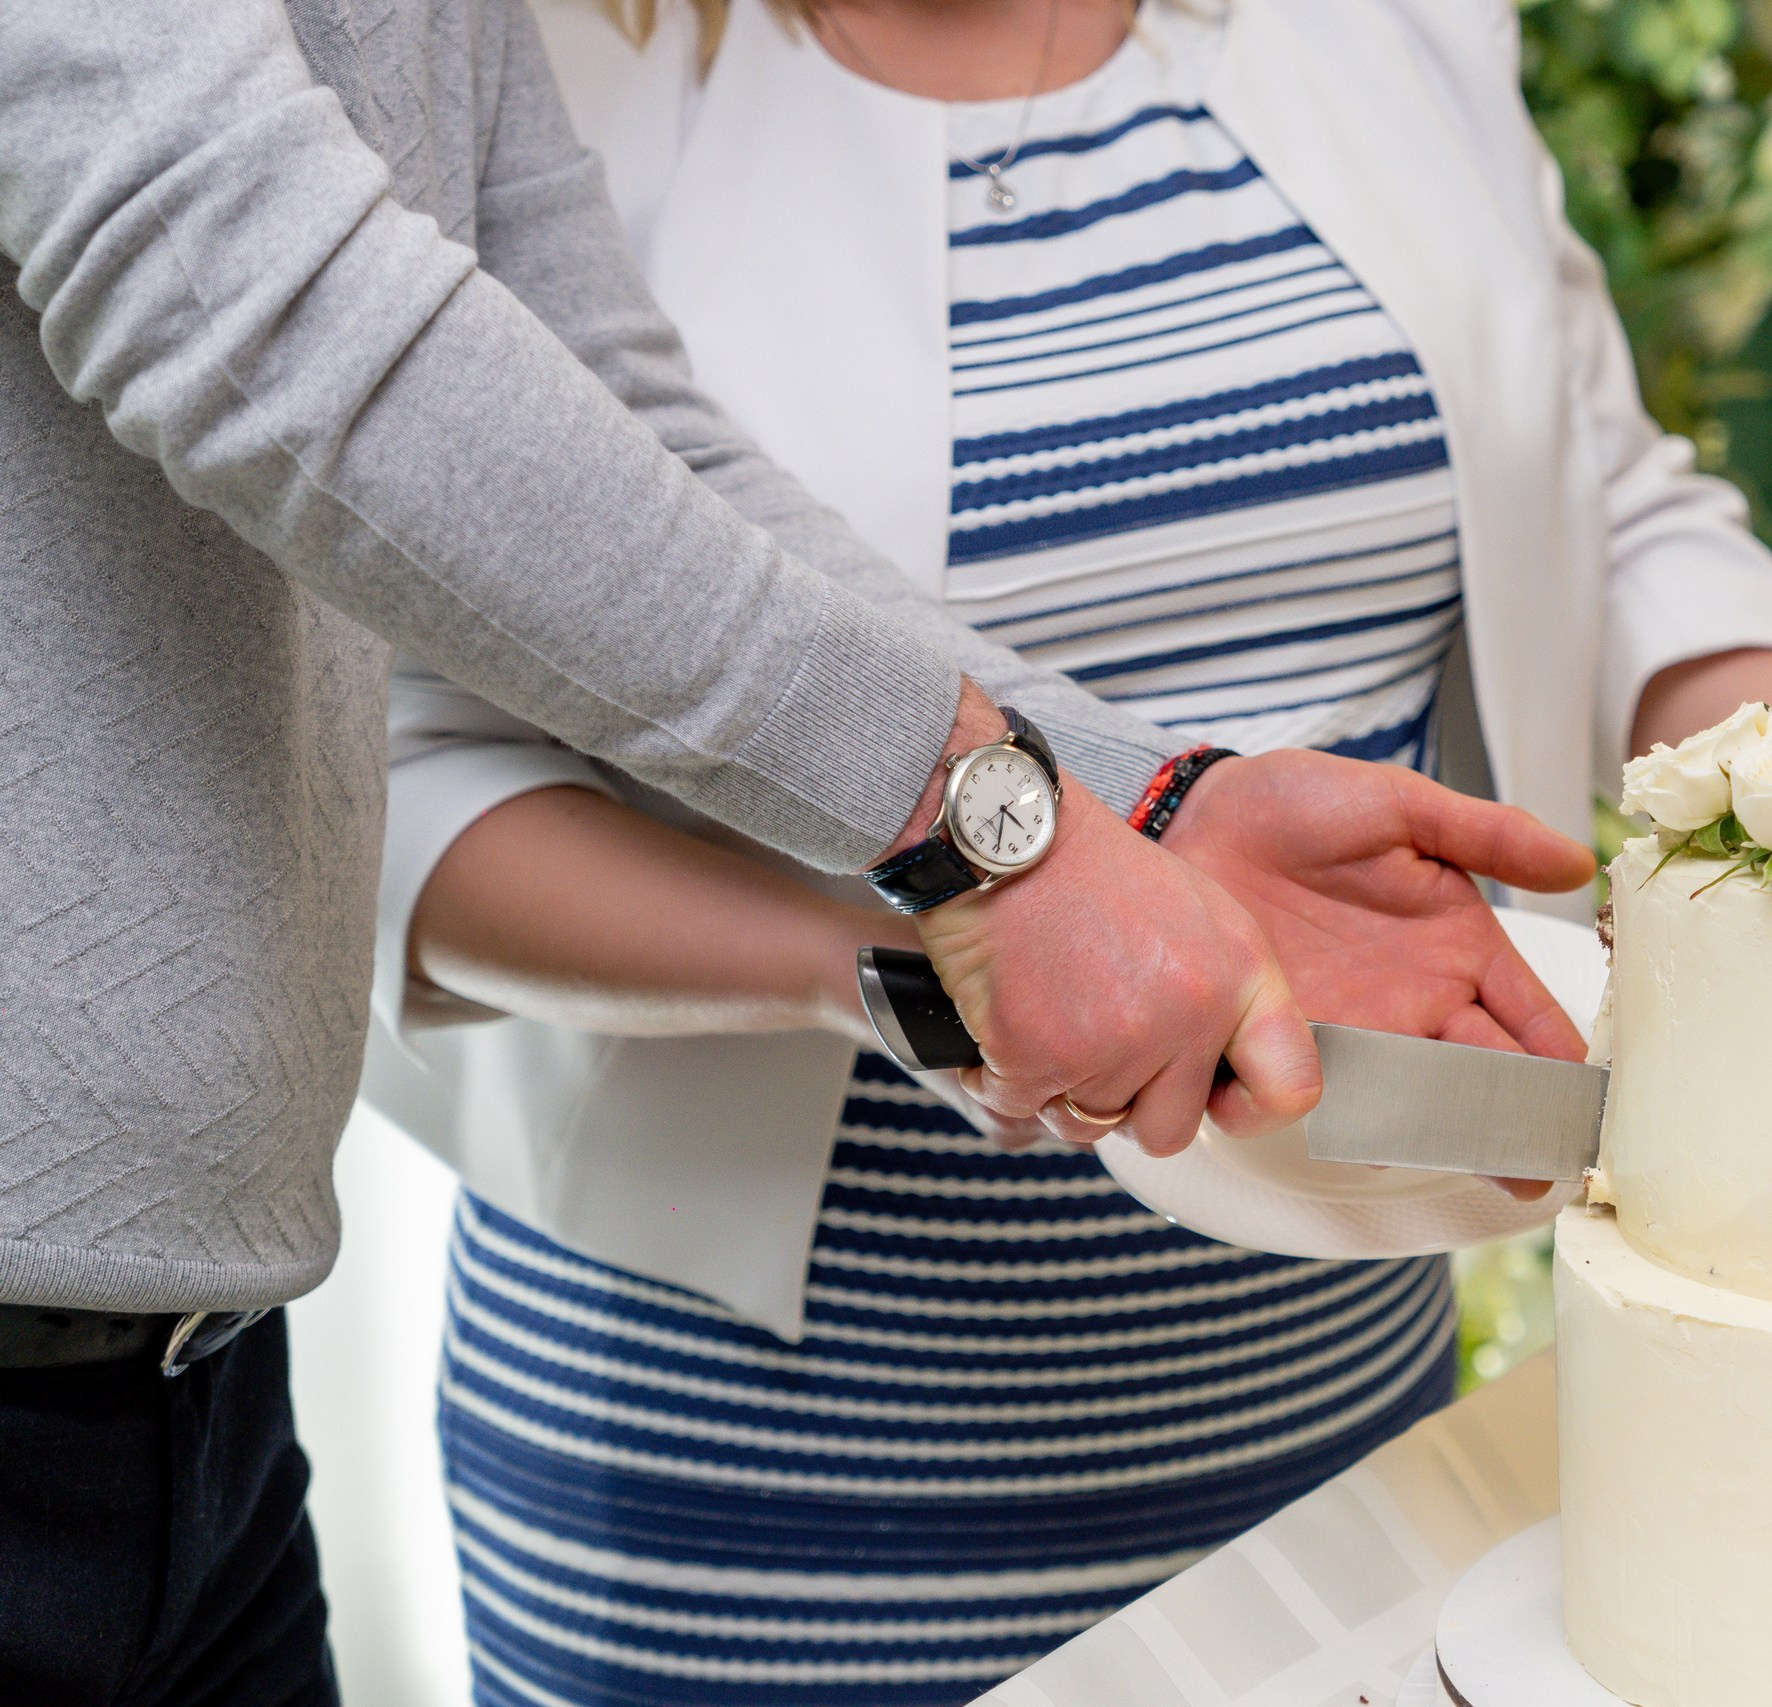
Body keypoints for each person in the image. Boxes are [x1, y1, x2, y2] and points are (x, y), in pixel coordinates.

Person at [0, 3, 1594, 1701]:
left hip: (193, 1393)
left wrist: (1142, 805)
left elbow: (624, 410)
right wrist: (997, 841)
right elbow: (268, 308)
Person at [360, 0, 1772, 1701]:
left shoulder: (1385, 25)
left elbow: (1611, 487)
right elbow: (398, 782)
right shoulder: (541, 86)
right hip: (768, 1477)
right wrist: (932, 970)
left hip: (1351, 1412)